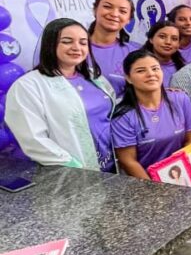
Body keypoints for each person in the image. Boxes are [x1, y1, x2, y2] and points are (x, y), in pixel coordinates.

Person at [6, 18, 115, 172]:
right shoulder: (28, 86)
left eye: (83, 43)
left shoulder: (94, 77)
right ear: (50, 44)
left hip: (111, 166)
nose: (76, 47)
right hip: (71, 172)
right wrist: (73, 166)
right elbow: (34, 140)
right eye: (67, 41)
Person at [112, 50, 191, 178]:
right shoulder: (123, 116)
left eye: (155, 68)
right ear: (128, 78)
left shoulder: (180, 99)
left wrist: (182, 177)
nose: (151, 74)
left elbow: (190, 140)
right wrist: (155, 190)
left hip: (182, 175)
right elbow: (128, 161)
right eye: (141, 71)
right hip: (146, 183)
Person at [87, 0, 141, 96]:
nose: (114, 14)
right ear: (95, 10)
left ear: (129, 19)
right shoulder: (75, 50)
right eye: (107, 7)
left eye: (122, 11)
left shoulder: (135, 53)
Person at [142, 21, 185, 87]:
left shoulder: (184, 70)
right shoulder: (137, 65)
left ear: (178, 44)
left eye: (174, 39)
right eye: (162, 37)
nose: (168, 42)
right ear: (151, 39)